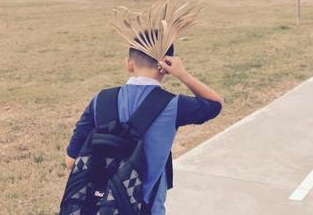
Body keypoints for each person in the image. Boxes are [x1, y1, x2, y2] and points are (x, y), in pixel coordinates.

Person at [64, 40, 223, 213]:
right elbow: (215, 104)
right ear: (165, 67)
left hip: (98, 207)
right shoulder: (174, 105)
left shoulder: (100, 99)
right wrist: (183, 75)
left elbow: (71, 161)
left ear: (129, 64)